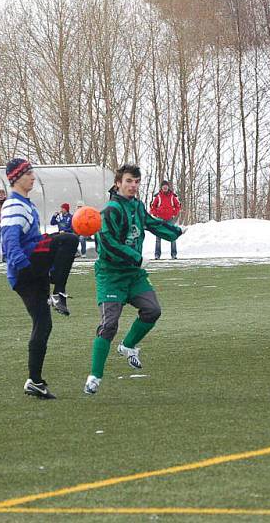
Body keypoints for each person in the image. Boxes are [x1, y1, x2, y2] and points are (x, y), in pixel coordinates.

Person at [84, 164, 183, 396]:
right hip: (111, 276)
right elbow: (107, 245)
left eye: (137, 182)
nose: (133, 186)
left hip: (133, 275)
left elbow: (151, 223)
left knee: (152, 310)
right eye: (129, 181)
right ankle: (94, 377)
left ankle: (128, 346)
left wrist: (177, 232)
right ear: (118, 183)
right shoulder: (110, 210)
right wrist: (136, 258)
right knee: (109, 325)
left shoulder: (137, 206)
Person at [1, 158, 80, 400]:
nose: (33, 177)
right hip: (25, 269)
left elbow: (30, 240)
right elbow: (9, 243)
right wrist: (26, 268)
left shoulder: (25, 203)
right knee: (67, 239)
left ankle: (34, 381)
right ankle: (60, 292)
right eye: (28, 173)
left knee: (43, 325)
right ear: (16, 178)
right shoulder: (13, 205)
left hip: (30, 272)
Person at [150, 180, 181, 259]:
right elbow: (152, 206)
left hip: (170, 219)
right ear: (161, 187)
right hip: (160, 219)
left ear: (168, 187)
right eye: (163, 186)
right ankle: (157, 255)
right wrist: (156, 214)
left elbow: (178, 206)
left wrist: (174, 213)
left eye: (166, 186)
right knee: (158, 237)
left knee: (173, 236)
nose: (165, 187)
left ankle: (174, 254)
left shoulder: (172, 196)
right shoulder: (157, 196)